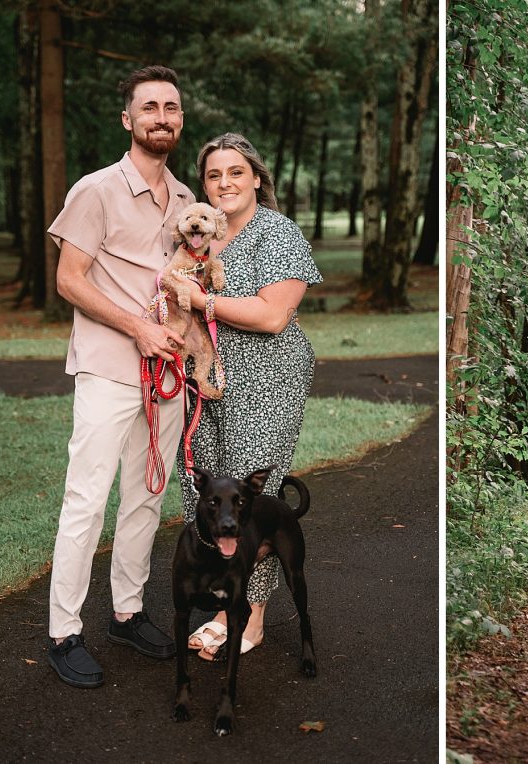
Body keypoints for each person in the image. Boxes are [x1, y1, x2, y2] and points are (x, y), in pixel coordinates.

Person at [46, 65, 195, 688]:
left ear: (179, 121)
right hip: (109, 370)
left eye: (171, 107)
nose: (161, 117)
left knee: (146, 498)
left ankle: (127, 613)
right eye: (149, 107)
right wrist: (136, 328)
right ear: (127, 120)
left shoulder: (189, 202)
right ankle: (63, 632)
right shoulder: (95, 190)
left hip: (166, 376)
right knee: (87, 499)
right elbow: (68, 281)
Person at [176, 133, 323, 660]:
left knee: (250, 499)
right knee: (205, 492)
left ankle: (248, 614)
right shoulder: (200, 239)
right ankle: (222, 592)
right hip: (208, 382)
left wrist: (203, 300)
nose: (224, 184)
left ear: (256, 177)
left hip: (269, 382)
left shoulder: (278, 234)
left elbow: (273, 315)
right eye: (214, 175)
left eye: (235, 172)